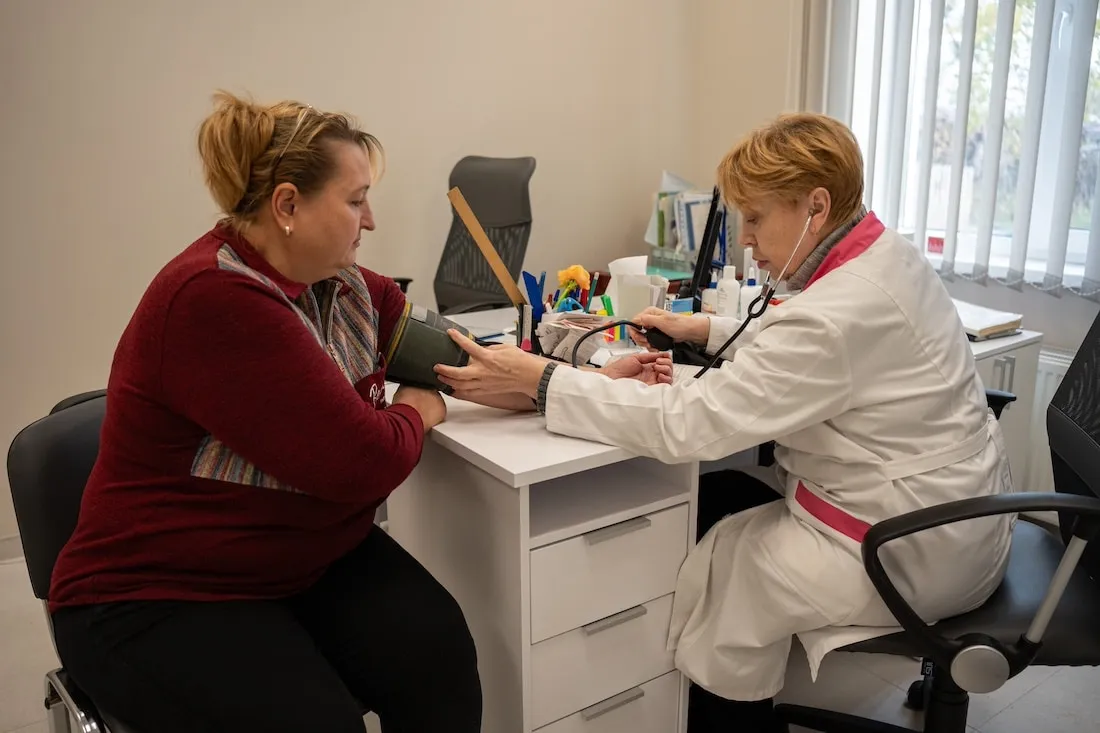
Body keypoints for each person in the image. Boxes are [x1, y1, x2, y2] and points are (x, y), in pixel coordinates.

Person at [433, 112, 1015, 732]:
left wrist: (543, 381)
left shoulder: (837, 313)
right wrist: (703, 328)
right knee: (726, 496)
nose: (746, 239)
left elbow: (691, 424)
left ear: (815, 207)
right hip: (960, 519)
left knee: (726, 571)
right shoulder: (885, 258)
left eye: (758, 217)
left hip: (905, 552)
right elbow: (827, 343)